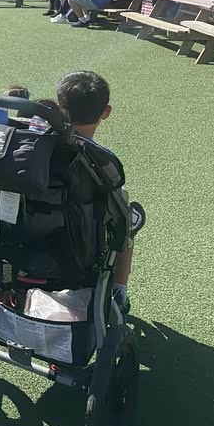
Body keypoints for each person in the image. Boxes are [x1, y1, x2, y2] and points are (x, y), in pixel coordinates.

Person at [56, 71, 144, 313]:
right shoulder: (101, 161)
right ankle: (119, 291)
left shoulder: (34, 144)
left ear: (60, 107)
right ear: (105, 112)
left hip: (25, 236)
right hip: (78, 243)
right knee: (125, 217)